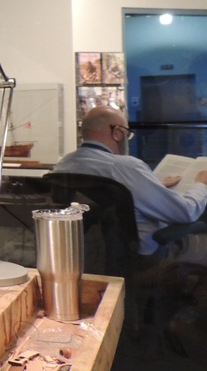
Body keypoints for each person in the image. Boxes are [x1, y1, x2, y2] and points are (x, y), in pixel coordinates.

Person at [52, 105, 207, 264]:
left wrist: (156, 185)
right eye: (127, 133)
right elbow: (186, 212)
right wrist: (201, 183)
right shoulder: (124, 167)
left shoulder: (63, 165)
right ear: (117, 132)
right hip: (142, 257)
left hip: (89, 255)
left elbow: (106, 195)